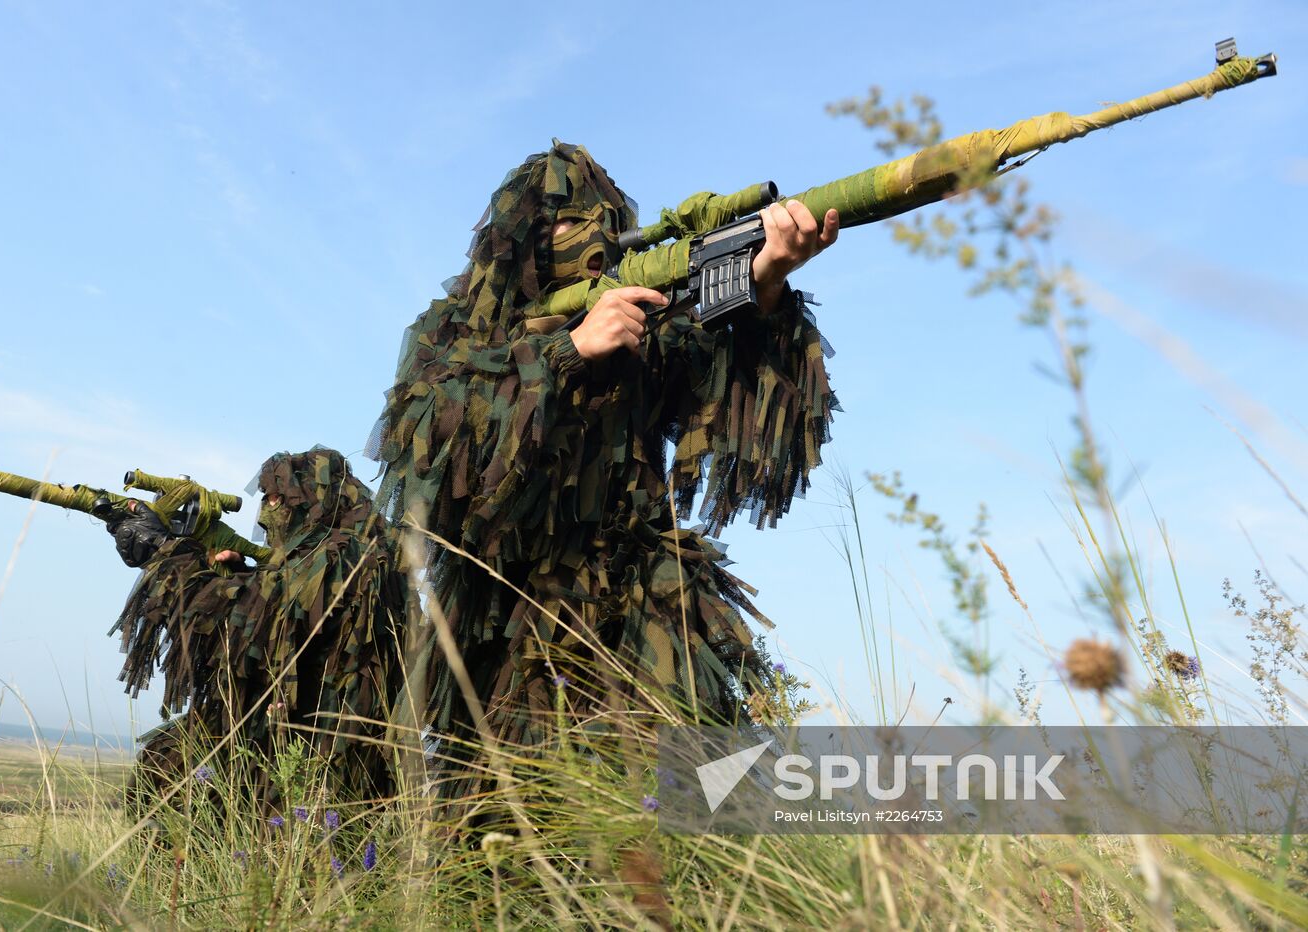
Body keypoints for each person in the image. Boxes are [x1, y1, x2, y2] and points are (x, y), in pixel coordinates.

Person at [367, 141, 840, 782]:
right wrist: (567, 351)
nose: (590, 236)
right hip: (510, 619)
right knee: (512, 823)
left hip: (644, 599)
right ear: (522, 238)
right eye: (566, 221)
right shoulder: (455, 331)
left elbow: (741, 413)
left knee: (682, 807)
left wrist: (765, 290)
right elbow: (423, 444)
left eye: (603, 221)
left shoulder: (645, 325)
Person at [113, 447, 412, 808]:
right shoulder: (368, 551)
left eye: (280, 498)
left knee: (173, 775)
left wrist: (166, 551)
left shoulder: (345, 553)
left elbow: (260, 623)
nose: (269, 511)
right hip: (308, 747)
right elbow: (286, 611)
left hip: (308, 759)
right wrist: (243, 575)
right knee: (168, 760)